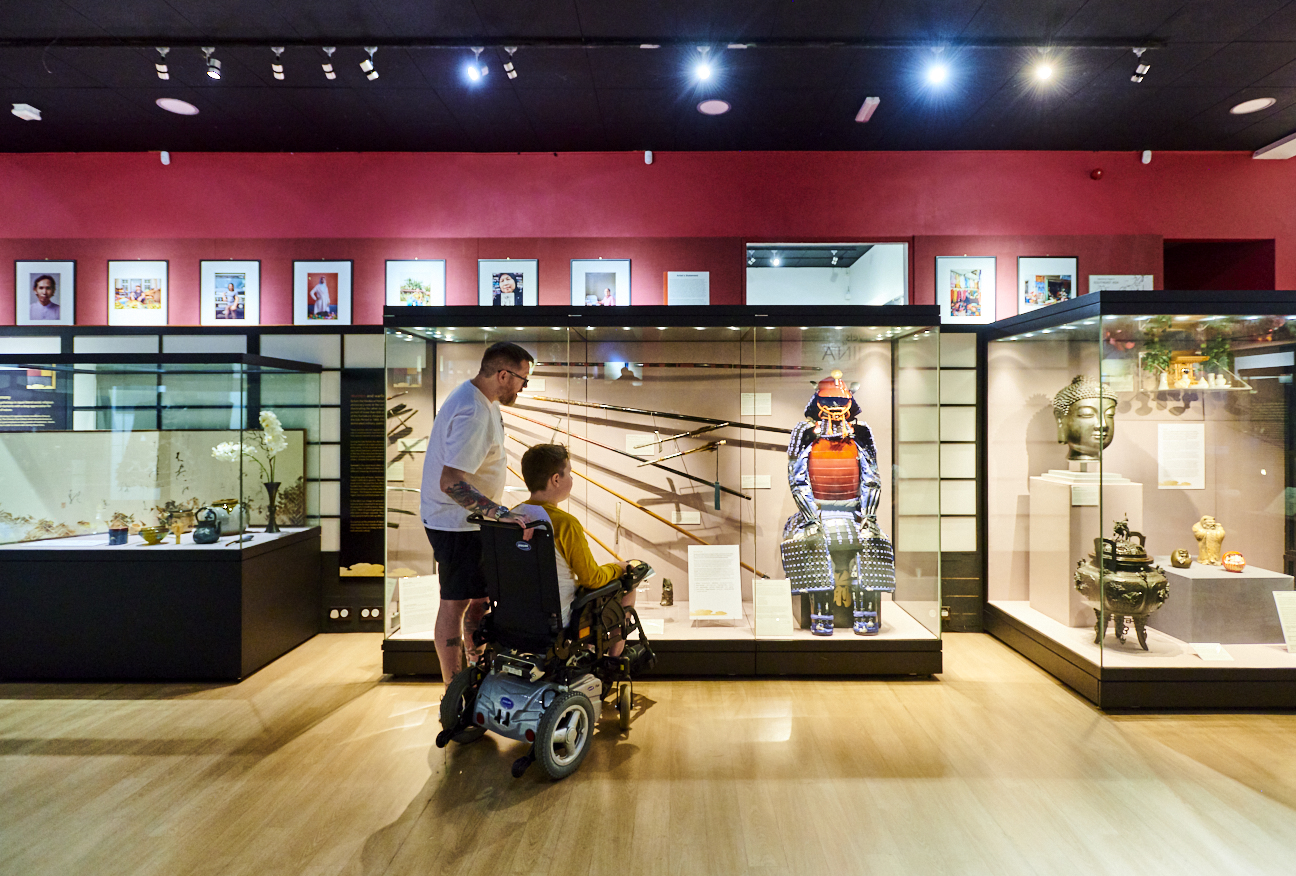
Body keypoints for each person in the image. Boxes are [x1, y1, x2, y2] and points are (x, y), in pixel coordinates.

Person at [421, 341, 535, 684]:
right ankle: (454, 690)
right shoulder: (473, 411)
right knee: (454, 604)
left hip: (471, 524)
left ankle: (477, 675)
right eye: (522, 380)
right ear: (503, 374)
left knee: (479, 599)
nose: (522, 387)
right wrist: (499, 514)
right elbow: (451, 481)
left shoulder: (481, 401)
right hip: (456, 525)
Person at [512, 444, 635, 653]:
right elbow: (592, 579)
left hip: (517, 614)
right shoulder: (565, 524)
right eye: (570, 473)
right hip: (558, 617)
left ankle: (586, 653)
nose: (572, 479)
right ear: (556, 479)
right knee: (629, 583)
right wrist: (619, 568)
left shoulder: (513, 516)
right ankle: (614, 664)